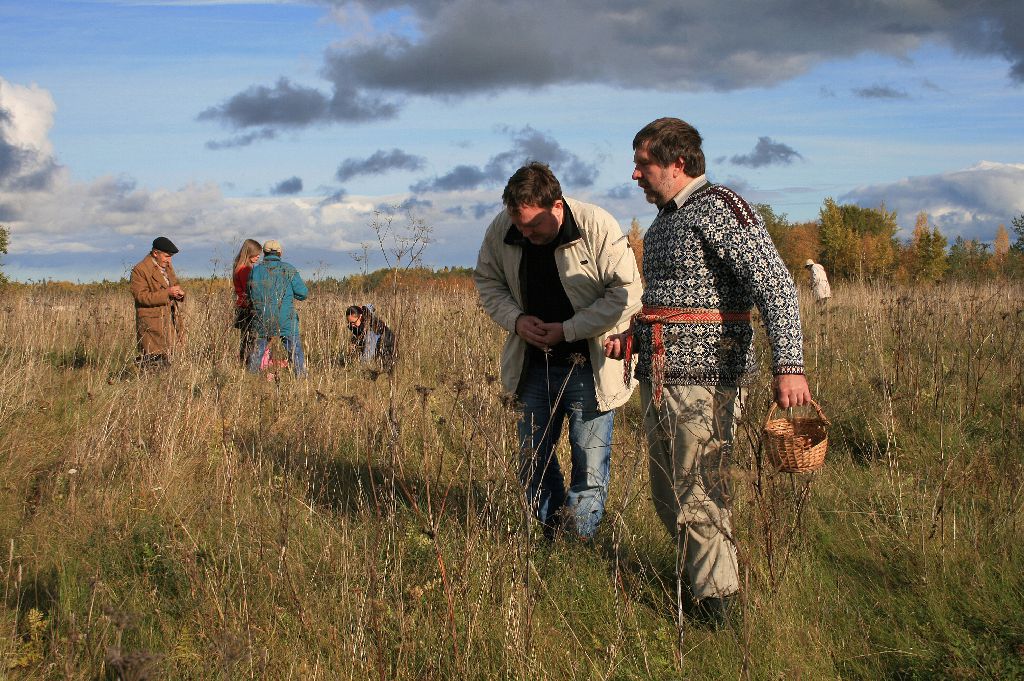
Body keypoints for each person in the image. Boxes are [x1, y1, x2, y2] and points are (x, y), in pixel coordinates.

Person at [605, 118, 812, 627]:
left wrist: (790, 365)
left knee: (700, 495)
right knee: (668, 493)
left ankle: (718, 609)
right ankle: (698, 579)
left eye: (644, 163)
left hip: (709, 379)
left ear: (678, 163)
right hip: (662, 379)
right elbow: (679, 302)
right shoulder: (666, 222)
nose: (635, 175)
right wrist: (633, 338)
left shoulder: (720, 208)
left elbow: (776, 287)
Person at [474, 162, 642, 540]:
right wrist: (516, 321)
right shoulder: (504, 229)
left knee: (590, 462)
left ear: (557, 207)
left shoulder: (597, 226)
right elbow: (487, 281)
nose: (524, 233)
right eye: (519, 225)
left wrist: (567, 330)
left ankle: (575, 544)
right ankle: (548, 534)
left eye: (533, 226)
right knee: (533, 460)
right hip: (531, 366)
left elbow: (626, 294)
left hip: (591, 367)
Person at [246, 239, 309, 376]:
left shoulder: (255, 271)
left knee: (258, 351)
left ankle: (251, 380)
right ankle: (301, 378)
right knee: (294, 350)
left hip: (261, 317)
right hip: (285, 318)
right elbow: (303, 293)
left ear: (264, 253)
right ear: (280, 253)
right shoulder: (289, 269)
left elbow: (249, 294)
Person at [130, 236, 185, 367]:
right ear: (155, 253)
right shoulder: (140, 270)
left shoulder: (167, 267)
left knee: (169, 359)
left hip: (171, 320)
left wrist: (179, 294)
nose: (169, 260)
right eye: (167, 256)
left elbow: (174, 285)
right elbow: (141, 297)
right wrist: (168, 293)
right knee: (154, 360)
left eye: (171, 256)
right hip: (152, 322)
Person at [232, 239, 262, 364]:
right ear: (249, 253)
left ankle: (244, 363)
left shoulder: (238, 266)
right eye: (255, 254)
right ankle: (249, 364)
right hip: (247, 307)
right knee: (250, 338)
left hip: (241, 306)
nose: (258, 256)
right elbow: (250, 290)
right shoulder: (245, 270)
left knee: (245, 338)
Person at [344, 304, 397, 372]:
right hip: (376, 342)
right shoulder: (362, 314)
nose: (352, 325)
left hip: (387, 345)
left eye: (353, 322)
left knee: (385, 367)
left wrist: (361, 367)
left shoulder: (373, 328)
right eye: (349, 322)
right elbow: (370, 306)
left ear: (360, 317)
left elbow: (368, 353)